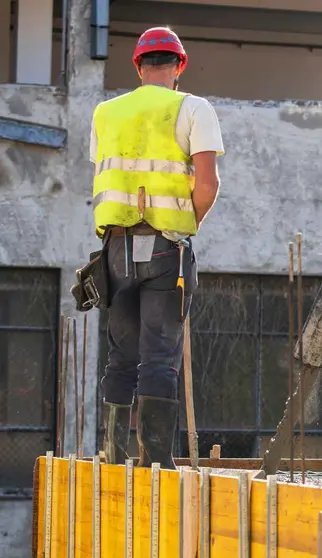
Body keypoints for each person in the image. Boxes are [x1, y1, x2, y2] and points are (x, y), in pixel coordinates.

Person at [91, 27, 224, 469]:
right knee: (159, 353)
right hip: (166, 248)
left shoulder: (105, 113)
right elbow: (207, 185)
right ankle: (155, 460)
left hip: (115, 250)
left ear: (138, 66)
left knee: (120, 355)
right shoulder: (193, 108)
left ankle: (113, 455)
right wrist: (188, 227)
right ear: (179, 66)